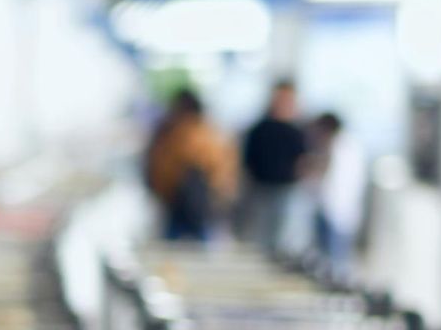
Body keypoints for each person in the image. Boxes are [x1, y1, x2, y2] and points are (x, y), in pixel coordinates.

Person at [144, 89, 237, 241]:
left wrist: (161, 190)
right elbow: (222, 167)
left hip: (175, 200)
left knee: (172, 244)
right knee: (203, 244)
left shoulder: (169, 133)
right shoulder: (211, 132)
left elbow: (159, 168)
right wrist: (219, 192)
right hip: (203, 202)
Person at [241, 80, 308, 254]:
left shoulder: (297, 131)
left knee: (284, 237)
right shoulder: (259, 129)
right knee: (260, 236)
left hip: (286, 189)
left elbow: (303, 160)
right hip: (261, 188)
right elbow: (248, 160)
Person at [307, 111, 366, 273]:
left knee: (336, 261)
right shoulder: (345, 146)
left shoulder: (342, 147)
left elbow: (331, 179)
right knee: (330, 259)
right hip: (334, 210)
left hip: (338, 211)